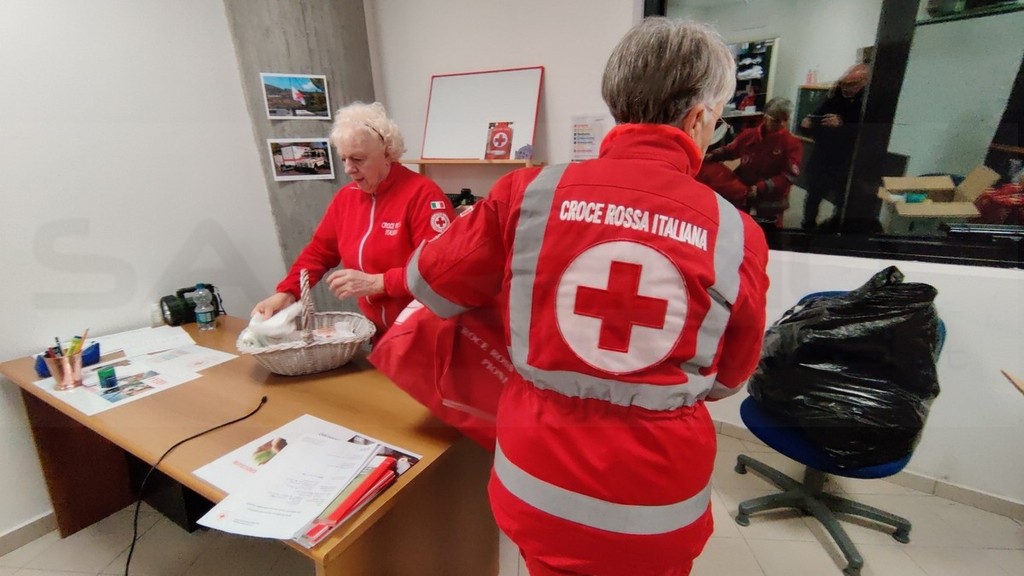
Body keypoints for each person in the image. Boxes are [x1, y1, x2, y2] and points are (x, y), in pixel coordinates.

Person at [401, 18, 769, 576]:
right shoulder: (737, 235)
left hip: (537, 483)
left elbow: (430, 284)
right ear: (698, 118)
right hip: (656, 508)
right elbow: (729, 377)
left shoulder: (527, 193)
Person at [252, 102, 455, 335]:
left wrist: (378, 283)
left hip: (425, 332)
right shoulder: (346, 198)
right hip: (379, 332)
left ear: (387, 153)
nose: (348, 169)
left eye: (358, 159)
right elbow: (319, 252)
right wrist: (287, 293)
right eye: (344, 159)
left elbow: (439, 270)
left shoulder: (423, 194)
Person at [700, 97, 802, 226]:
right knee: (739, 225)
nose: (782, 124)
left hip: (771, 199)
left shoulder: (791, 144)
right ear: (765, 117)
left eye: (785, 119)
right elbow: (731, 151)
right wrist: (713, 155)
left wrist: (760, 188)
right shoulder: (749, 135)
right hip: (744, 192)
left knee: (769, 230)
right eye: (776, 120)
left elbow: (788, 176)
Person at [799, 63, 869, 230]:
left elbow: (868, 133)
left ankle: (835, 228)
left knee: (843, 199)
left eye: (851, 84)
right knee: (814, 195)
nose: (845, 88)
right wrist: (807, 124)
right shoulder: (834, 96)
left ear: (864, 83)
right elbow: (817, 118)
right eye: (843, 83)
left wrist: (842, 126)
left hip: (847, 160)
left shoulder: (866, 103)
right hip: (822, 156)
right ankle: (807, 227)